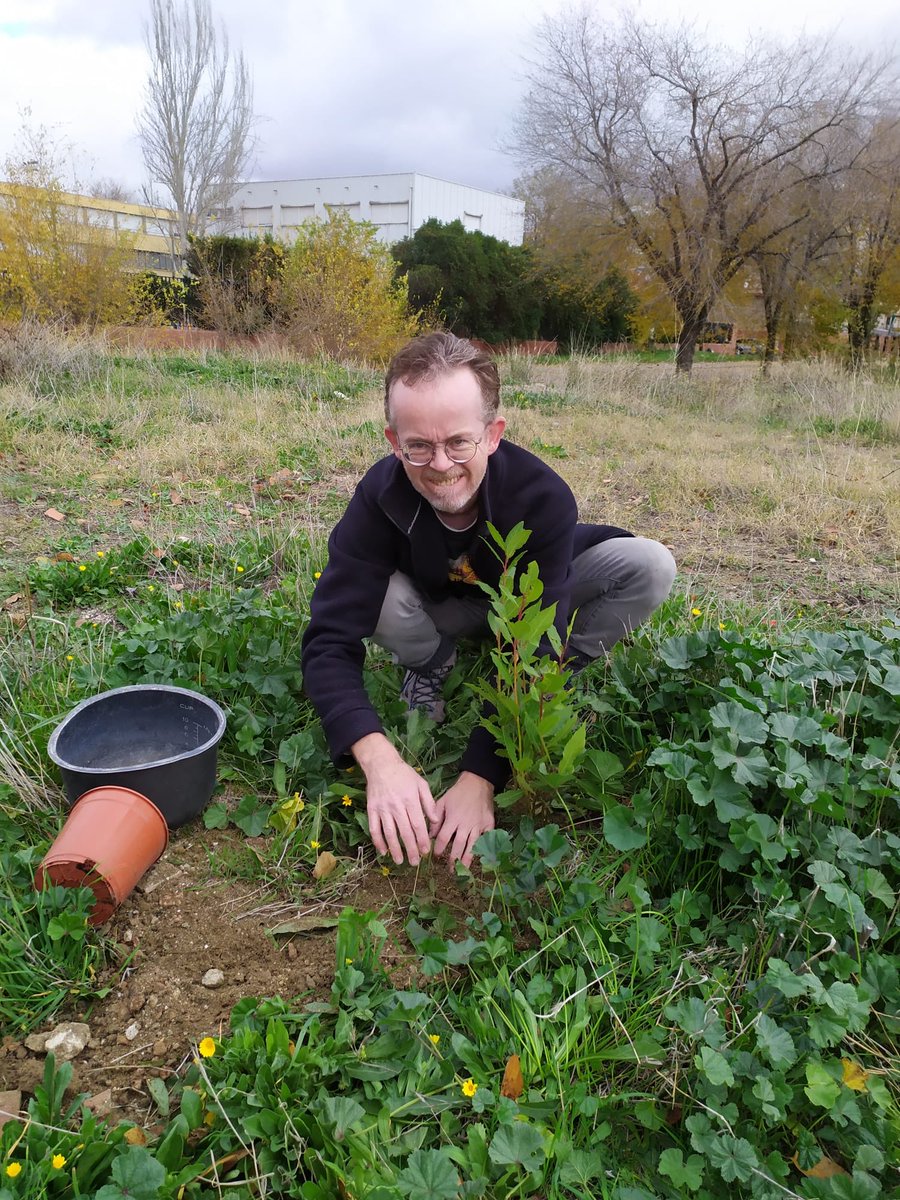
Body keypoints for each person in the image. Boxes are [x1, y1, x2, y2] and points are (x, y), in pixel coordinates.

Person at [300, 332, 675, 868]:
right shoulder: (379, 497)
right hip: (440, 605)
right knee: (373, 594)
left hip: (526, 604)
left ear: (493, 434)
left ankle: (557, 681)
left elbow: (538, 632)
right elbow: (328, 638)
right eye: (418, 446)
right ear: (392, 440)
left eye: (459, 442)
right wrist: (376, 755)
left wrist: (480, 776)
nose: (440, 464)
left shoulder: (541, 495)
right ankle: (431, 664)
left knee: (650, 564)